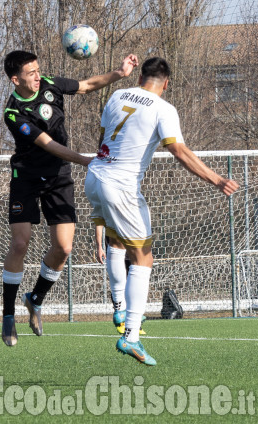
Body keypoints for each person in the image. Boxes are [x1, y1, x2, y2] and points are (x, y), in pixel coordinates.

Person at [84, 57, 239, 365]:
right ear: (166, 83)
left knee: (116, 242)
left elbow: (103, 139)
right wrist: (216, 178)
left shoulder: (117, 95)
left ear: (141, 76)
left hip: (94, 175)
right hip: (122, 186)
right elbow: (179, 150)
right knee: (143, 258)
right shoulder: (163, 109)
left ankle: (118, 305)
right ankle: (131, 336)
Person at [1, 50, 139, 346]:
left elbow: (87, 85)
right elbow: (47, 143)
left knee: (64, 248)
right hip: (25, 177)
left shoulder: (50, 84)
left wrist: (120, 73)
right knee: (20, 243)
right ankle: (8, 314)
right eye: (31, 73)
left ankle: (35, 299)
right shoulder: (14, 113)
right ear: (16, 79)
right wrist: (87, 160)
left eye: (38, 70)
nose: (38, 76)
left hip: (58, 177)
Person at [94, 224, 145, 336]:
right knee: (120, 284)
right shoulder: (108, 207)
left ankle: (134, 322)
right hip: (116, 251)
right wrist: (99, 247)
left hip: (132, 247)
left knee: (133, 283)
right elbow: (99, 224)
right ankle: (121, 320)